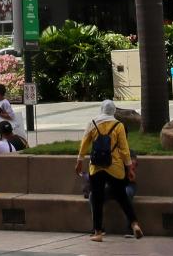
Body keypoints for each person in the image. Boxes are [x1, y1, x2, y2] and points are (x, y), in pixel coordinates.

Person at [75, 100, 140, 242]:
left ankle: (98, 232)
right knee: (122, 197)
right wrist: (129, 168)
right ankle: (134, 224)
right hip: (115, 167)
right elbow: (124, 149)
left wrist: (79, 161)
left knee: (97, 198)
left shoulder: (93, 123)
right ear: (113, 111)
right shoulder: (119, 125)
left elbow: (84, 143)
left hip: (96, 167)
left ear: (101, 109)